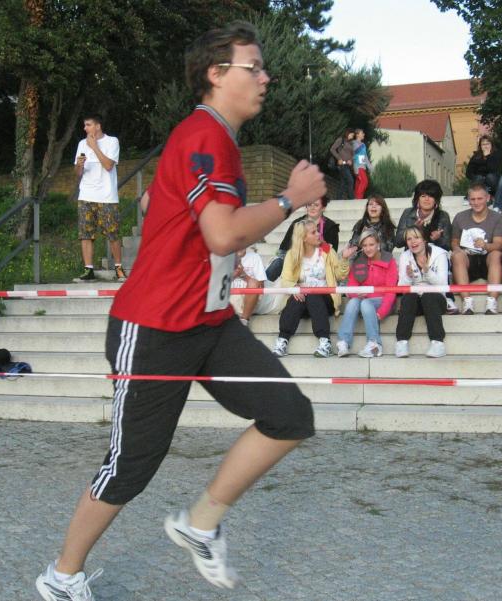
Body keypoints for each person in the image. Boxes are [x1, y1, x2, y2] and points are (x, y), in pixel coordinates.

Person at [35, 21, 327, 601]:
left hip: (209, 323)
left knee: (289, 416)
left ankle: (200, 524)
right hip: (153, 327)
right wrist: (290, 198)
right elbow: (222, 233)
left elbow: (189, 223)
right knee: (131, 465)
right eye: (254, 67)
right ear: (216, 74)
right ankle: (62, 576)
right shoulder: (202, 135)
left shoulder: (217, 142)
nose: (266, 77)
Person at [272, 220, 348, 358]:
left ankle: (325, 342)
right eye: (314, 232)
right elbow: (285, 280)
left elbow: (340, 275)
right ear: (303, 238)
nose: (319, 234)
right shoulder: (292, 254)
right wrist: (295, 287)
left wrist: (344, 259)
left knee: (312, 293)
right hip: (303, 302)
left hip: (326, 301)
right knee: (298, 297)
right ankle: (282, 340)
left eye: (317, 230)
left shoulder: (327, 250)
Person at [73, 113, 125, 282]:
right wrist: (79, 166)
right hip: (86, 195)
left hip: (107, 196)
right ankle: (88, 270)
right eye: (84, 125)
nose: (85, 128)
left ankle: (118, 268)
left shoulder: (112, 141)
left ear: (98, 126)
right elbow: (78, 173)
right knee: (85, 234)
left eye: (88, 125)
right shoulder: (82, 143)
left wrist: (94, 147)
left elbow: (109, 166)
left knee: (112, 233)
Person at [394, 179, 457, 314]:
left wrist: (438, 239)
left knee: (441, 259)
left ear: (436, 200)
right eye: (423, 195)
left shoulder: (443, 216)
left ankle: (447, 297)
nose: (427, 199)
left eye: (431, 196)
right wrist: (412, 231)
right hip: (413, 254)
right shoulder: (408, 214)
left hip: (434, 256)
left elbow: (447, 246)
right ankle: (407, 300)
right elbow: (398, 242)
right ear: (417, 198)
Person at [336, 230, 398, 358]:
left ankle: (374, 344)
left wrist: (381, 312)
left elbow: (391, 290)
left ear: (378, 244)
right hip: (363, 300)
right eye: (364, 245)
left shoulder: (389, 260)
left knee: (366, 303)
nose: (368, 249)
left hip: (383, 300)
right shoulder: (359, 261)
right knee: (353, 302)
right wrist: (356, 294)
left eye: (371, 244)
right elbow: (351, 286)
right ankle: (343, 342)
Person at [451, 182, 502, 315]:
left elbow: (500, 244)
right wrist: (458, 249)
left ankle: (492, 301)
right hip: (468, 260)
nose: (476, 202)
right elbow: (454, 242)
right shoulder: (460, 217)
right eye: (472, 199)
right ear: (468, 200)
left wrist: (486, 245)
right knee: (457, 255)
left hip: (488, 259)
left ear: (487, 198)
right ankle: (467, 301)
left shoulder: (498, 218)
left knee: (497, 254)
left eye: (480, 198)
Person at [395, 225, 448, 358]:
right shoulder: (405, 256)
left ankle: (438, 343)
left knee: (429, 296)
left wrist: (427, 271)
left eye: (417, 237)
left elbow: (443, 285)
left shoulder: (440, 254)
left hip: (436, 300)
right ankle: (401, 342)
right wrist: (409, 277)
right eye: (409, 239)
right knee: (408, 297)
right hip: (415, 302)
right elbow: (401, 287)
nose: (413, 242)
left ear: (424, 239)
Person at [265, 195, 339, 281]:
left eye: (316, 205)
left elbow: (332, 253)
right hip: (297, 259)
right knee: (277, 263)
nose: (312, 208)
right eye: (309, 205)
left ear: (323, 208)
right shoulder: (297, 224)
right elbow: (283, 249)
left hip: (319, 261)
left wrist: (320, 244)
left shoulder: (331, 227)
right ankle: (262, 284)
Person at [229, 247, 282, 326]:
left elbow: (261, 286)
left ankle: (244, 320)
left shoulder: (254, 257)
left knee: (254, 283)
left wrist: (243, 275)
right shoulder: (224, 258)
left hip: (250, 299)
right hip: (232, 298)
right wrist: (233, 275)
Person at [329, 128, 355, 199]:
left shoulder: (351, 143)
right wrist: (339, 158)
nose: (352, 136)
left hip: (347, 165)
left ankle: (338, 199)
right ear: (347, 133)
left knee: (343, 183)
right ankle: (351, 198)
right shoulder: (341, 140)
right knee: (350, 180)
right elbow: (332, 149)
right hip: (341, 165)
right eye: (351, 134)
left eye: (353, 135)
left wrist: (351, 160)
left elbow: (353, 154)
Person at [352, 128, 372, 199]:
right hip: (358, 167)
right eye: (362, 133)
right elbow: (353, 156)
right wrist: (355, 168)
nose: (364, 134)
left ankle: (357, 199)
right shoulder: (354, 143)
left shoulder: (363, 145)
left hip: (363, 167)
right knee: (364, 182)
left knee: (359, 183)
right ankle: (358, 199)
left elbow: (365, 157)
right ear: (357, 135)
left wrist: (370, 167)